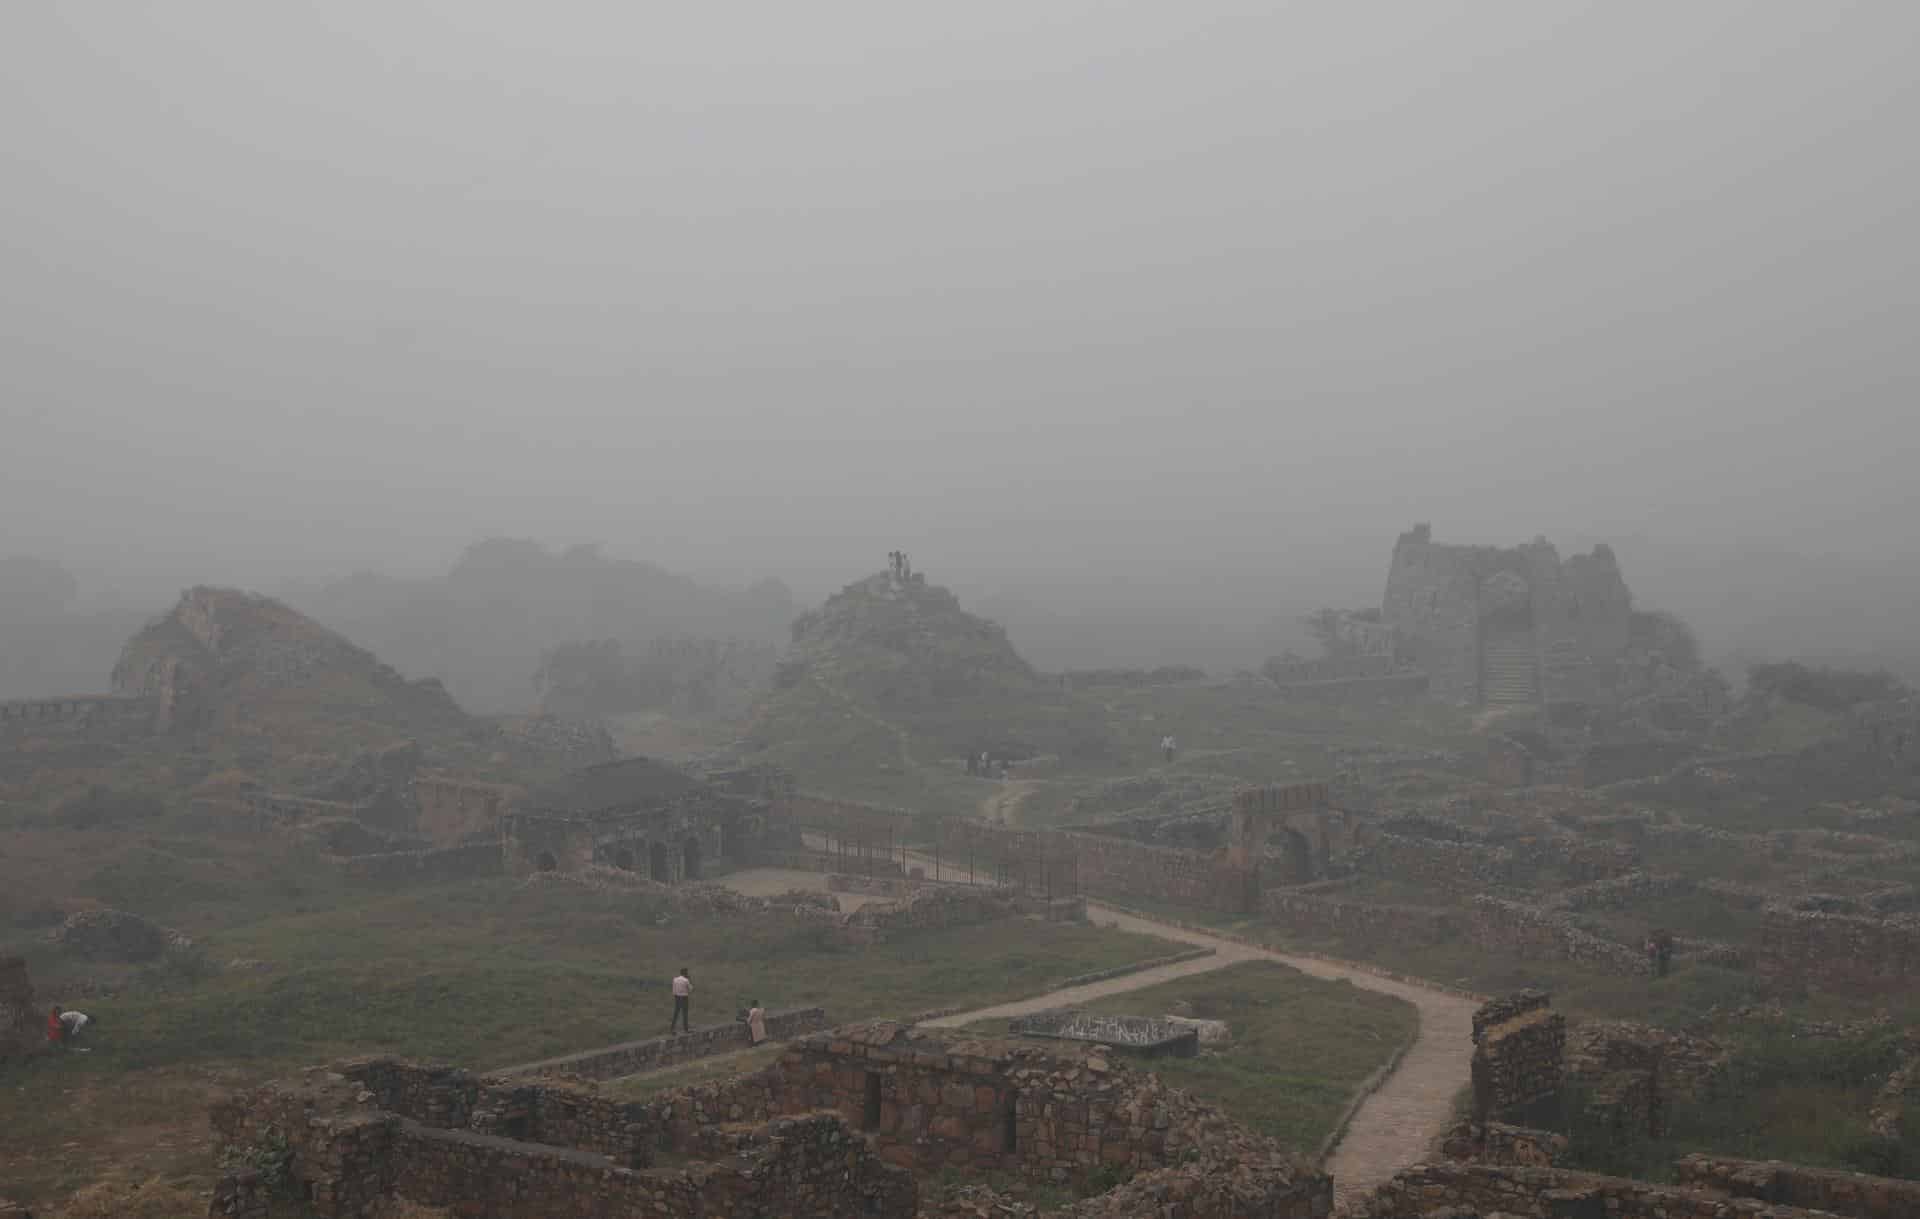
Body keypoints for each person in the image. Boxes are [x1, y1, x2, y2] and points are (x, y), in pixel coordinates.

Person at [670, 967, 693, 1034]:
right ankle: (686, 1029)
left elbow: (673, 989)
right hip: (684, 998)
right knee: (685, 1013)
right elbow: (691, 989)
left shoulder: (675, 979)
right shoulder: (686, 980)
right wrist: (689, 980)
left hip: (677, 997)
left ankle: (672, 1028)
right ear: (685, 973)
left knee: (676, 1013)